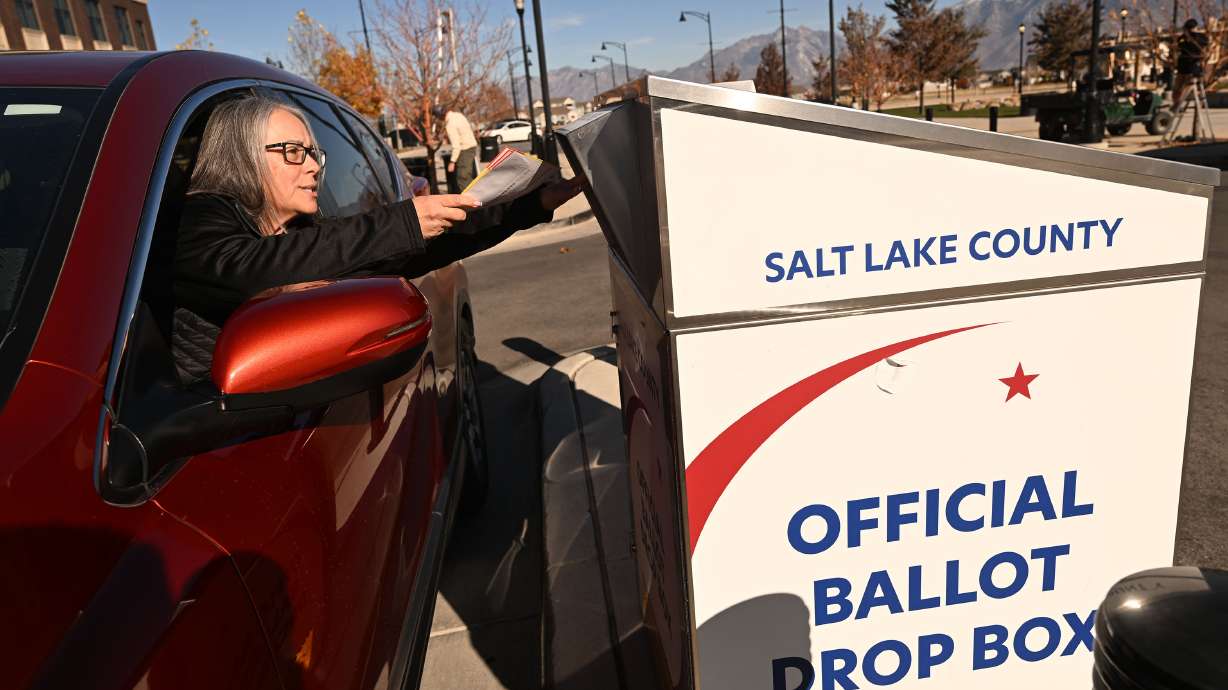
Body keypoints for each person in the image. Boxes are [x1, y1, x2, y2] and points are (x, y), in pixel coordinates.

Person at [172, 96, 578, 380]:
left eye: (316, 153)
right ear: (240, 155)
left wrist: (531, 205)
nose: (314, 167)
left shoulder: (300, 232)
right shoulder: (197, 217)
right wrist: (400, 222)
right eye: (295, 151)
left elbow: (410, 250)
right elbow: (247, 269)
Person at [435, 104, 479, 192]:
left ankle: (474, 202)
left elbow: (456, 146)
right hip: (471, 146)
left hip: (465, 149)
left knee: (462, 178)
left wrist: (452, 162)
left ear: (440, 115)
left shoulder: (450, 124)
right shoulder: (458, 115)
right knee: (467, 176)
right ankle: (477, 199)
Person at [1173, 18, 1209, 109]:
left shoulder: (1200, 38)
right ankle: (1176, 104)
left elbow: (1202, 47)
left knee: (1185, 87)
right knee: (1178, 88)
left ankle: (1178, 104)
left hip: (1191, 68)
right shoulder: (1183, 38)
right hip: (1183, 67)